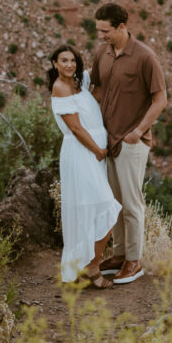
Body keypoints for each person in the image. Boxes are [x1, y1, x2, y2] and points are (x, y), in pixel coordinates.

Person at [90, 2, 167, 285]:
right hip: (106, 140)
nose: (101, 35)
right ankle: (120, 254)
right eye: (98, 30)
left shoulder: (145, 57)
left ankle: (134, 261)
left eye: (105, 30)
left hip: (132, 142)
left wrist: (139, 130)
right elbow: (96, 90)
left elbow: (161, 100)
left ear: (122, 26)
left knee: (132, 204)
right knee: (114, 202)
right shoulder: (103, 53)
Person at [48, 43, 122, 289]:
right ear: (54, 64)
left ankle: (83, 265)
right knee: (105, 205)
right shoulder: (60, 88)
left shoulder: (79, 81)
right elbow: (76, 128)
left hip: (91, 153)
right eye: (64, 60)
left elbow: (98, 69)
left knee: (90, 208)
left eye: (73, 60)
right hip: (82, 153)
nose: (69, 64)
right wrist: (98, 150)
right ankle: (92, 265)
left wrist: (110, 47)